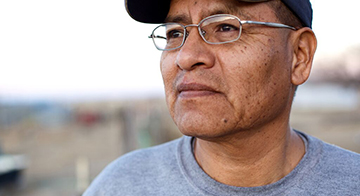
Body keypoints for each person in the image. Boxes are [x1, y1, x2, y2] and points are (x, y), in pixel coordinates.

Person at [84, 0, 360, 195]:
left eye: (226, 27)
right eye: (175, 33)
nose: (186, 56)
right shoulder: (121, 185)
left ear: (299, 56)